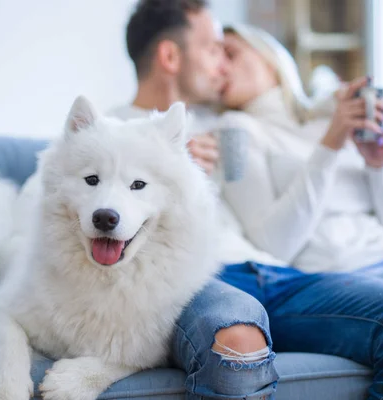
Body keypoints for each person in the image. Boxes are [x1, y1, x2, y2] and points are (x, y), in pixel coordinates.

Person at [214, 23, 383, 399]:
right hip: (350, 275)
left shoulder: (327, 120)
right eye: (213, 56)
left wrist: (378, 166)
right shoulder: (237, 131)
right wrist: (329, 147)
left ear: (268, 56)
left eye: (230, 53)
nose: (220, 67)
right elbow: (275, 245)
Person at [109, 1, 280, 399]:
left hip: (270, 268)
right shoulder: (110, 136)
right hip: (204, 277)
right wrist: (162, 168)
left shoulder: (224, 128)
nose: (223, 64)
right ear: (170, 56)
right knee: (237, 340)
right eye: (213, 49)